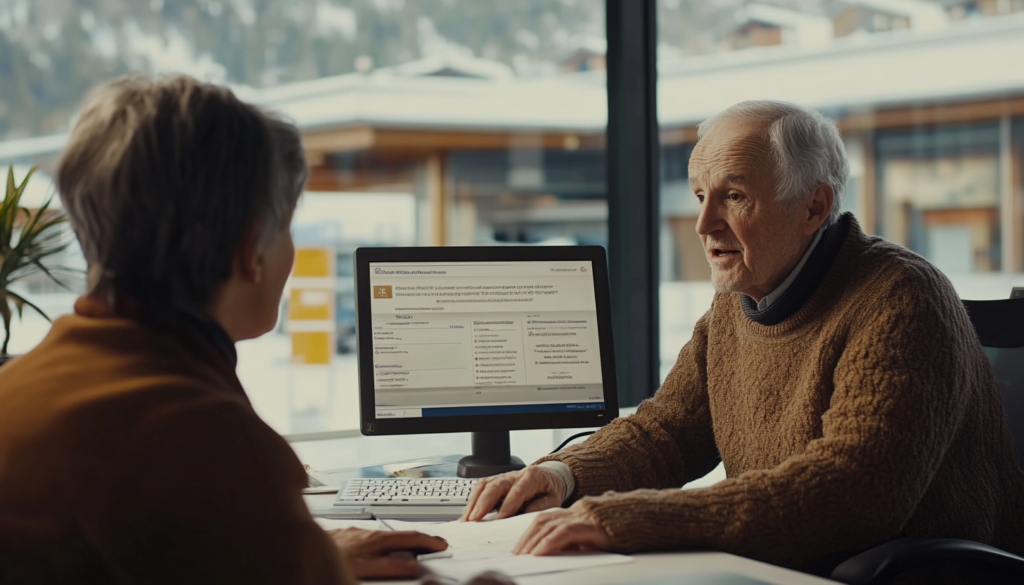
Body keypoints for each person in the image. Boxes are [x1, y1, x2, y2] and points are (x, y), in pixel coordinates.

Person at [461, 100, 1024, 580]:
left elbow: (853, 492)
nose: (704, 224)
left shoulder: (903, 297)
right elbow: (668, 432)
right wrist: (563, 475)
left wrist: (629, 519)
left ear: (814, 207)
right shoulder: (740, 298)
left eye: (733, 196)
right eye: (700, 194)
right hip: (782, 568)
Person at [0, 75, 451, 584]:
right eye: (285, 227)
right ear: (249, 250)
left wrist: (293, 548)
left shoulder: (21, 389)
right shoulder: (207, 442)